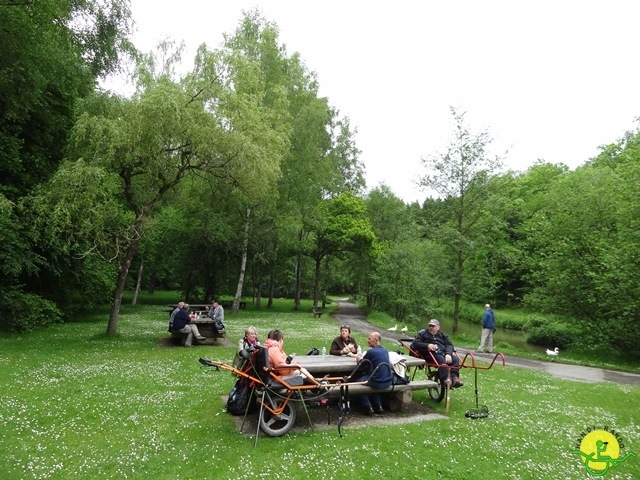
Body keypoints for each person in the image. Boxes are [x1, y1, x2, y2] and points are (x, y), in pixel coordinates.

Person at [411, 319, 463, 388]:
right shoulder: (423, 334)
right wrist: (427, 345)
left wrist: (448, 354)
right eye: (430, 326)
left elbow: (450, 345)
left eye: (433, 326)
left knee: (455, 359)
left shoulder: (443, 335)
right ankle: (445, 380)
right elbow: (415, 343)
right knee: (441, 359)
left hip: (443, 353)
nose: (431, 327)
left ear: (438, 327)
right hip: (429, 354)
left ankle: (455, 378)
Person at [354, 331, 393, 415]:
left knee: (358, 382)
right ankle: (378, 406)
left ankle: (367, 407)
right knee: (375, 377)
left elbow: (361, 366)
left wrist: (359, 359)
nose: (367, 340)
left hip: (378, 382)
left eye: (369, 339)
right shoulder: (385, 350)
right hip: (388, 381)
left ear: (375, 340)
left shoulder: (371, 352)